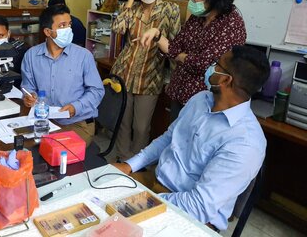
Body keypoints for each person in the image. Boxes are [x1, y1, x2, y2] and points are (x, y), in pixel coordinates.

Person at [112, 46, 270, 231]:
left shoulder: (245, 143)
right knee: (97, 199)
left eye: (216, 64)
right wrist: (130, 165)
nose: (210, 66)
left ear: (226, 80)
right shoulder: (201, 99)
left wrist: (141, 202)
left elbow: (198, 206)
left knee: (115, 224)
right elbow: (169, 138)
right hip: (156, 182)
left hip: (191, 215)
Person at [140, 0, 247, 121]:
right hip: (180, 92)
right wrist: (158, 36)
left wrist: (179, 55)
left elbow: (203, 64)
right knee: (174, 137)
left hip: (206, 101)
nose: (191, 1)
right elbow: (176, 45)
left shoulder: (231, 24)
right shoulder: (198, 18)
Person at [111, 0, 181, 161]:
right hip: (124, 72)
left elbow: (174, 44)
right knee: (123, 122)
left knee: (141, 126)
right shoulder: (132, 8)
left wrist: (175, 78)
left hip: (150, 76)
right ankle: (122, 158)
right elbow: (117, 28)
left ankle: (136, 162)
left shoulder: (170, 9)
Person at [21, 4, 104, 144]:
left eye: (69, 25)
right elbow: (27, 87)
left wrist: (75, 107)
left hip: (78, 123)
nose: (68, 30)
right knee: (23, 147)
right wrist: (29, 97)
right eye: (62, 26)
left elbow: (97, 91)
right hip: (44, 119)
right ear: (48, 32)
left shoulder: (84, 56)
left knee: (55, 151)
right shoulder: (31, 55)